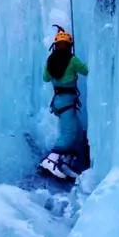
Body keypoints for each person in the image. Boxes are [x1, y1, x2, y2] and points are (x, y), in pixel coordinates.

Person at [40, 28, 89, 180]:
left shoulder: (50, 60)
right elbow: (86, 70)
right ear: (69, 46)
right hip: (67, 101)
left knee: (73, 130)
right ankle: (51, 160)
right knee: (69, 133)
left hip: (58, 102)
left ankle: (65, 161)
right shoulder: (72, 59)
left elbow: (46, 78)